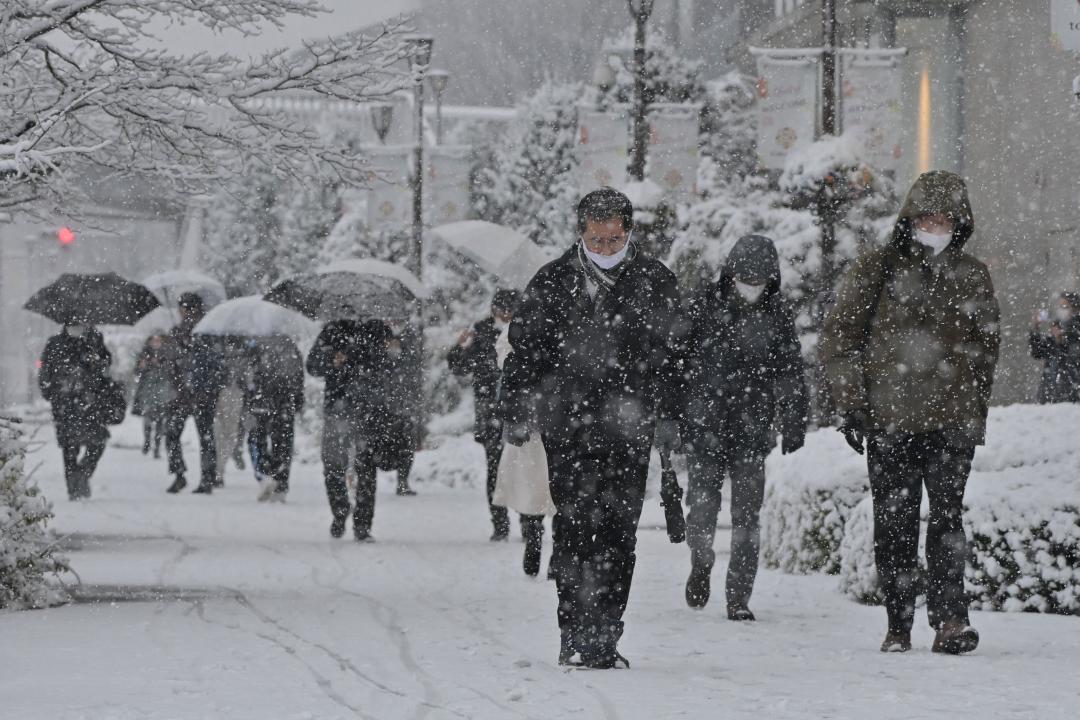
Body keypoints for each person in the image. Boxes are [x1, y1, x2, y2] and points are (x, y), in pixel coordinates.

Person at [501, 187, 685, 669]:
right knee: (574, 528)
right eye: (597, 240)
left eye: (615, 239)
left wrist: (670, 415)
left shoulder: (654, 282)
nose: (607, 248)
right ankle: (573, 629)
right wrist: (518, 406)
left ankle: (605, 633)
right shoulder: (552, 282)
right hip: (569, 424)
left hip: (629, 427)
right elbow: (526, 352)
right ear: (580, 234)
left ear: (629, 233)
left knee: (619, 532)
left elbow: (675, 358)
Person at [821, 170, 999, 655]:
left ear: (960, 222)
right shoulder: (878, 268)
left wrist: (973, 412)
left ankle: (950, 620)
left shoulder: (972, 274)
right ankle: (898, 622)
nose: (935, 225)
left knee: (947, 521)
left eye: (945, 218)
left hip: (951, 422)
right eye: (927, 216)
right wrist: (852, 404)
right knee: (895, 522)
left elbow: (987, 348)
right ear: (910, 218)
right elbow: (840, 339)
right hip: (890, 421)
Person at [681, 234, 808, 620]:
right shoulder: (702, 307)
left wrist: (793, 418)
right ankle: (701, 562)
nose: (751, 288)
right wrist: (672, 417)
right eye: (744, 278)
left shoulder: (777, 316)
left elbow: (790, 370)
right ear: (730, 273)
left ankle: (738, 597)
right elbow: (676, 365)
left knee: (747, 517)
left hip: (753, 429)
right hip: (705, 426)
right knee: (701, 509)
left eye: (759, 281)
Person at [448, 290, 524, 541]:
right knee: (495, 468)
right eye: (501, 311)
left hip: (520, 408)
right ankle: (499, 523)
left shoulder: (528, 329)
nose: (505, 316)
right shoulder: (481, 332)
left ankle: (528, 522)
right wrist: (460, 348)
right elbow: (460, 367)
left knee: (524, 466)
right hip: (489, 407)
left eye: (510, 312)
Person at [307, 318, 386, 541]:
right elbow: (312, 365)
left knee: (367, 468)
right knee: (332, 464)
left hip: (368, 409)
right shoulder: (331, 330)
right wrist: (332, 360)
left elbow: (387, 363)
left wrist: (357, 361)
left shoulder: (376, 329)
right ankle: (340, 510)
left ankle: (363, 524)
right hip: (337, 407)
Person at [38, 324, 113, 500]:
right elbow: (45, 370)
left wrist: (98, 360)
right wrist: (51, 392)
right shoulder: (55, 343)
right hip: (65, 403)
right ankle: (72, 487)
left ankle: (82, 475)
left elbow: (106, 365)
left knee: (97, 442)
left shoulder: (94, 339)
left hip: (90, 403)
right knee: (69, 447)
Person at [162, 293, 226, 495]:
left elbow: (172, 362)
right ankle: (205, 477)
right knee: (204, 436)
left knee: (176, 434)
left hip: (189, 393)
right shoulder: (206, 330)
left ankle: (183, 474)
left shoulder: (191, 331)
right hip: (197, 393)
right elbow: (219, 364)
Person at [246, 336, 305, 502]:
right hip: (283, 400)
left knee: (260, 440)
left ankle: (268, 476)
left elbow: (249, 373)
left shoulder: (258, 345)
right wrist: (297, 397)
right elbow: (298, 374)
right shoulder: (289, 346)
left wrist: (251, 392)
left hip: (263, 400)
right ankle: (279, 481)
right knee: (282, 442)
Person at [384, 319, 423, 496]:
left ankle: (403, 480)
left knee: (406, 443)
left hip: (405, 401)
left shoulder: (409, 337)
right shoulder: (378, 333)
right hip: (383, 402)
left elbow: (414, 365)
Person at [212, 337, 252, 487]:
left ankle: (219, 470)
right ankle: (219, 470)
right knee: (226, 434)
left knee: (226, 434)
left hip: (231, 393)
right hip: (229, 393)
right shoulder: (245, 344)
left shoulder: (219, 342)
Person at [1029, 292, 1080, 404]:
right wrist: (1035, 328)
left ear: (1076, 309)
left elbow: (1072, 361)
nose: (1061, 310)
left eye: (1065, 306)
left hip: (1070, 397)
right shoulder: (1059, 328)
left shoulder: (1075, 332)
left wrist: (1061, 341)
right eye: (1060, 306)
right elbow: (1037, 352)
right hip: (1050, 395)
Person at [132, 333, 174, 459]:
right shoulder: (144, 354)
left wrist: (161, 365)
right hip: (148, 390)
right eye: (153, 340)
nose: (156, 343)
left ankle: (156, 446)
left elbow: (171, 371)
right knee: (148, 417)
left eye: (158, 340)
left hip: (162, 390)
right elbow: (137, 372)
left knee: (161, 419)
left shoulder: (167, 354)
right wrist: (142, 366)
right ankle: (146, 441)